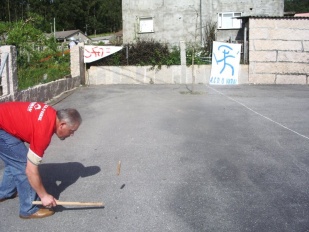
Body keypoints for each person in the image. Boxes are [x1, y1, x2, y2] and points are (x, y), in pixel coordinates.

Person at [0, 102, 82, 219]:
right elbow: (30, 170)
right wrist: (44, 196)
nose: (72, 134)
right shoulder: (43, 132)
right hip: (2, 128)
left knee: (15, 159)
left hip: (3, 123)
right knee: (23, 165)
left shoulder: (50, 113)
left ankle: (5, 192)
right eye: (72, 130)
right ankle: (29, 208)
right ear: (62, 124)